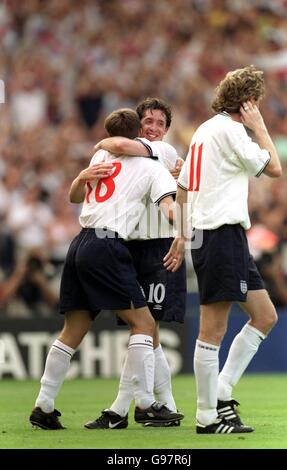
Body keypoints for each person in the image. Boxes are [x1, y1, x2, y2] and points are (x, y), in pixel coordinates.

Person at [29, 108, 183, 430]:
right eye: (147, 124)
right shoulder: (151, 166)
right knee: (144, 324)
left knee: (73, 329)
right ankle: (144, 403)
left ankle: (43, 404)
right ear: (137, 131)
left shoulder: (101, 154)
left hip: (80, 244)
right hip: (108, 246)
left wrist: (80, 176)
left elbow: (76, 197)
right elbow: (169, 209)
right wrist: (185, 229)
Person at [164, 66, 281, 434]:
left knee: (265, 316)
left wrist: (183, 233)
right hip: (220, 234)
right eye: (256, 100)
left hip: (219, 235)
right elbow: (275, 167)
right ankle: (206, 416)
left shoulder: (204, 130)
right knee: (213, 329)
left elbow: (182, 187)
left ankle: (223, 390)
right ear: (249, 102)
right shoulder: (232, 132)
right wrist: (260, 126)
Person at [84, 98, 187, 430]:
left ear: (166, 130)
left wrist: (102, 141)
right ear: (138, 124)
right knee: (144, 329)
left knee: (148, 326)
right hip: (128, 247)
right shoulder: (129, 155)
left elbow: (115, 142)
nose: (153, 127)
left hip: (158, 247)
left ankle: (125, 408)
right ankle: (153, 405)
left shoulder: (164, 151)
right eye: (147, 121)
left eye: (159, 123)